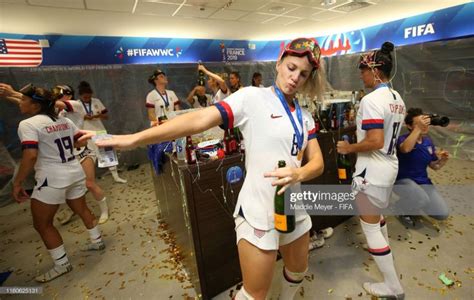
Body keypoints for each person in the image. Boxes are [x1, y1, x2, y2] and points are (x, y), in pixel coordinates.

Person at [93, 37, 326, 300]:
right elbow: (200, 118)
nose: (295, 77)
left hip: (294, 206)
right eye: (291, 67)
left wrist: (299, 173)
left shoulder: (305, 117)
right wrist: (134, 139)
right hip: (259, 211)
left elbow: (317, 163)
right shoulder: (252, 97)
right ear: (279, 63)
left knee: (298, 270)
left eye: (303, 74)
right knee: (254, 294)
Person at [11, 85, 105, 282]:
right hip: (74, 171)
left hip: (52, 178)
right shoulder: (63, 120)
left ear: (35, 105)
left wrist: (18, 182)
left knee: (42, 224)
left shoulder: (27, 124)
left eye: (23, 100)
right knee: (81, 208)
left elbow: (30, 155)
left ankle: (62, 265)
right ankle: (97, 241)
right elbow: (80, 141)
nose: (20, 102)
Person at [337, 42, 405, 298]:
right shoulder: (397, 98)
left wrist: (349, 147)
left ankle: (392, 286)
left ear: (376, 71)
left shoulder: (371, 100)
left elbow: (375, 141)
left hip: (371, 172)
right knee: (377, 218)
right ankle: (385, 251)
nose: (361, 75)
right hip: (389, 167)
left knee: (370, 227)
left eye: (364, 70)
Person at [393, 108, 449, 226]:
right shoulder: (403, 139)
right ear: (409, 126)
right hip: (402, 181)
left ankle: (416, 201)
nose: (424, 126)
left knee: (442, 213)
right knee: (421, 197)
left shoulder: (428, 142)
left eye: (425, 123)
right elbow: (405, 149)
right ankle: (400, 208)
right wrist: (418, 129)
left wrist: (443, 160)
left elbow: (434, 166)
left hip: (423, 182)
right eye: (419, 123)